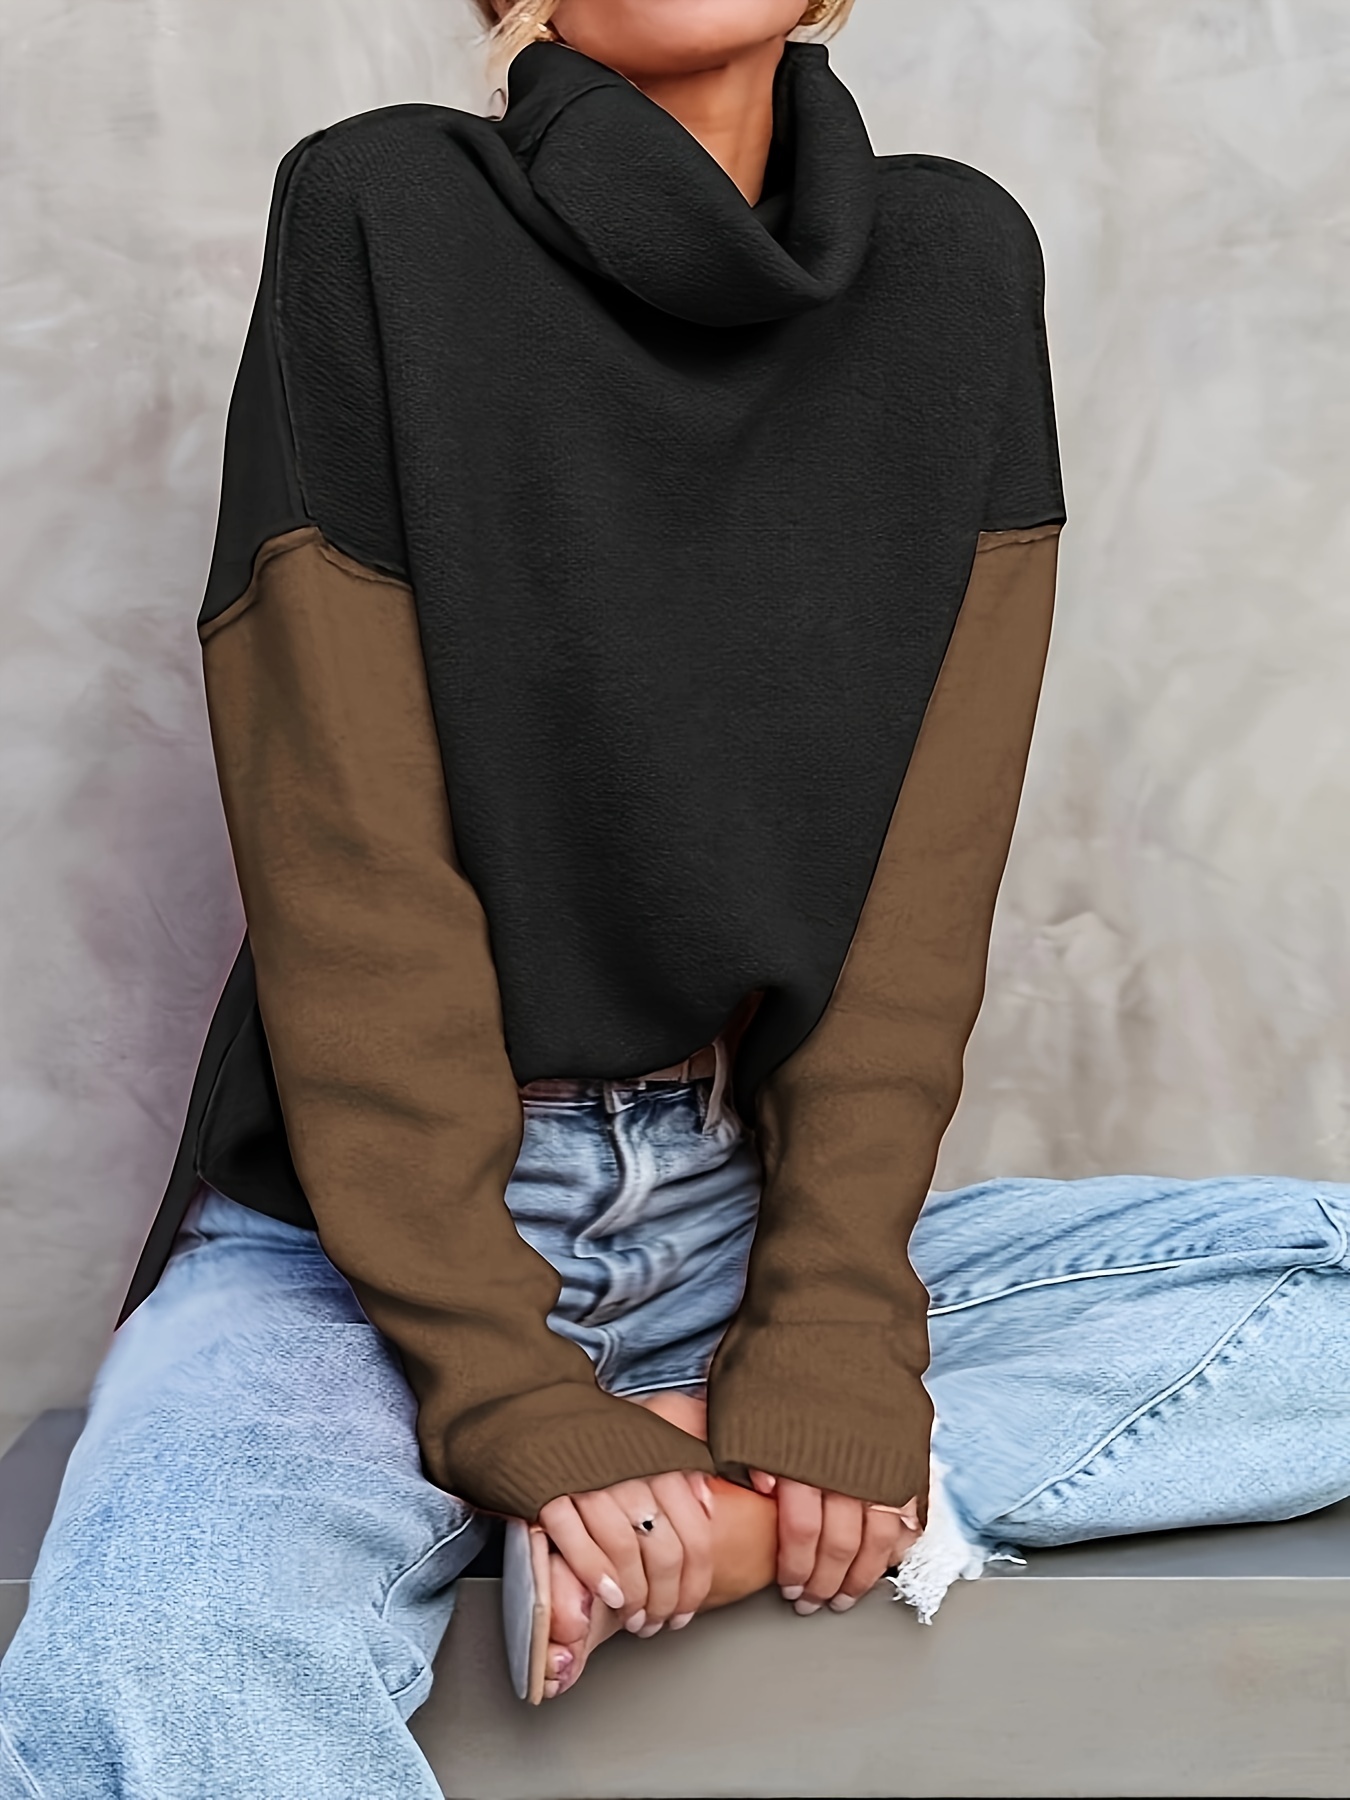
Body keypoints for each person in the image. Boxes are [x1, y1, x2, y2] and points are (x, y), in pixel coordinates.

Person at [26, 0, 1345, 1792]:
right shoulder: (381, 207)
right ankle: (682, 1464)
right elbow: (350, 875)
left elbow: (915, 896)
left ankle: (727, 1500)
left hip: (741, 1217)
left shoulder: (957, 261)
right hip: (360, 1250)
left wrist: (826, 1337)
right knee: (158, 1658)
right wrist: (505, 1390)